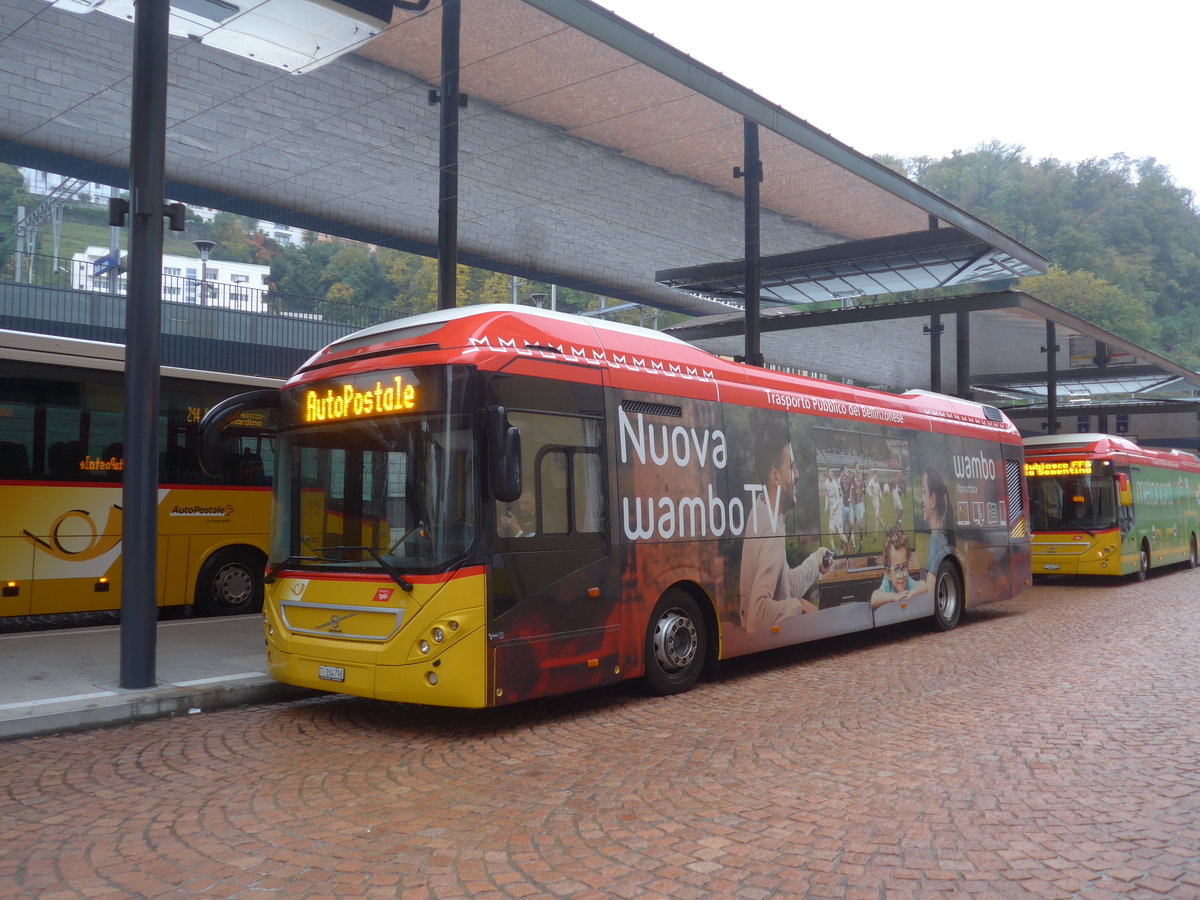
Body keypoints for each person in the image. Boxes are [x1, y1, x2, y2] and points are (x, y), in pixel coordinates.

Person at [740, 438, 833, 633]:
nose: (797, 474)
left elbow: (783, 588)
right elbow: (756, 617)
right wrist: (799, 606)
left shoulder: (761, 511)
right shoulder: (772, 528)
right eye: (791, 467)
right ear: (776, 477)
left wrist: (815, 563)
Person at [870, 525, 928, 609]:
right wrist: (895, 597)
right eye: (896, 569)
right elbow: (874, 598)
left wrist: (910, 594)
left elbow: (924, 585)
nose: (901, 575)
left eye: (904, 567)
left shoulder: (906, 578)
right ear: (888, 573)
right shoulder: (887, 581)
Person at [919, 466, 954, 594]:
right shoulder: (939, 537)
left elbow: (929, 589)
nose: (921, 500)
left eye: (924, 492)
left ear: (933, 499)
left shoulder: (937, 543)